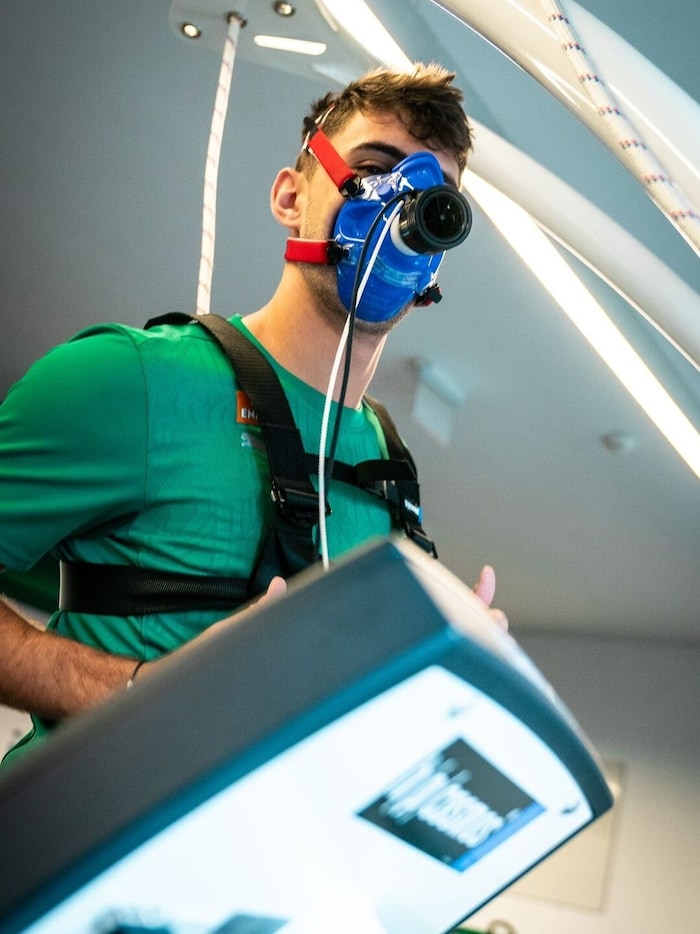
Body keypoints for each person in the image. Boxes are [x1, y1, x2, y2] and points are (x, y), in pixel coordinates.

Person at [0, 63, 506, 767]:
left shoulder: (388, 473)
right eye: (374, 169)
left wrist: (450, 679)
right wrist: (140, 693)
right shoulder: (134, 379)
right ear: (290, 196)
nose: (401, 214)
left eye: (432, 201)